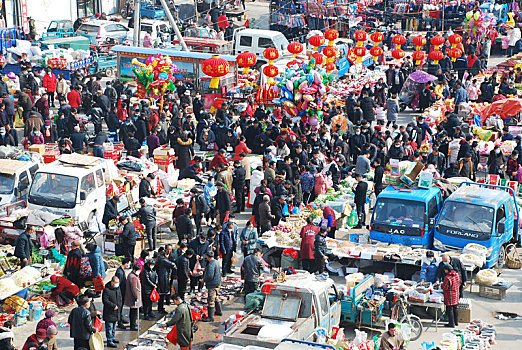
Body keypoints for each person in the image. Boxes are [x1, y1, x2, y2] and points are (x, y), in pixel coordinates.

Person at [102, 276, 123, 347]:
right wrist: (113, 306)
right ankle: (109, 340)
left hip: (116, 311)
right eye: (116, 283)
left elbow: (120, 297)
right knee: (109, 327)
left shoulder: (118, 288)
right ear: (112, 282)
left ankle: (113, 337)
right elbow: (105, 300)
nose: (117, 284)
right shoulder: (107, 290)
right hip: (109, 312)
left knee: (114, 326)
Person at [202, 251, 222, 322]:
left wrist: (203, 280)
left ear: (207, 257)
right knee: (216, 297)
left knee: (211, 300)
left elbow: (210, 276)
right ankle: (219, 311)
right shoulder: (216, 262)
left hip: (212, 284)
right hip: (218, 283)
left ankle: (210, 317)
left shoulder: (211, 264)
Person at [155, 249, 176, 314]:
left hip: (162, 278)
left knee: (162, 295)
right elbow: (172, 264)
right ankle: (160, 308)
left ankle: (160, 307)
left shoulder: (159, 259)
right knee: (162, 295)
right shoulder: (162, 260)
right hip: (163, 279)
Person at [124, 264, 142, 330]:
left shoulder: (131, 275)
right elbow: (134, 289)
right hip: (133, 298)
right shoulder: (133, 277)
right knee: (134, 312)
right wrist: (137, 297)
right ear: (134, 270)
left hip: (132, 297)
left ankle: (133, 324)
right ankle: (133, 325)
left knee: (133, 312)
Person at [115, 257, 130, 329]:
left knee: (121, 307)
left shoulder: (121, 270)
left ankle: (121, 318)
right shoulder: (119, 272)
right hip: (120, 292)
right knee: (119, 308)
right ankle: (119, 322)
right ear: (126, 264)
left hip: (122, 291)